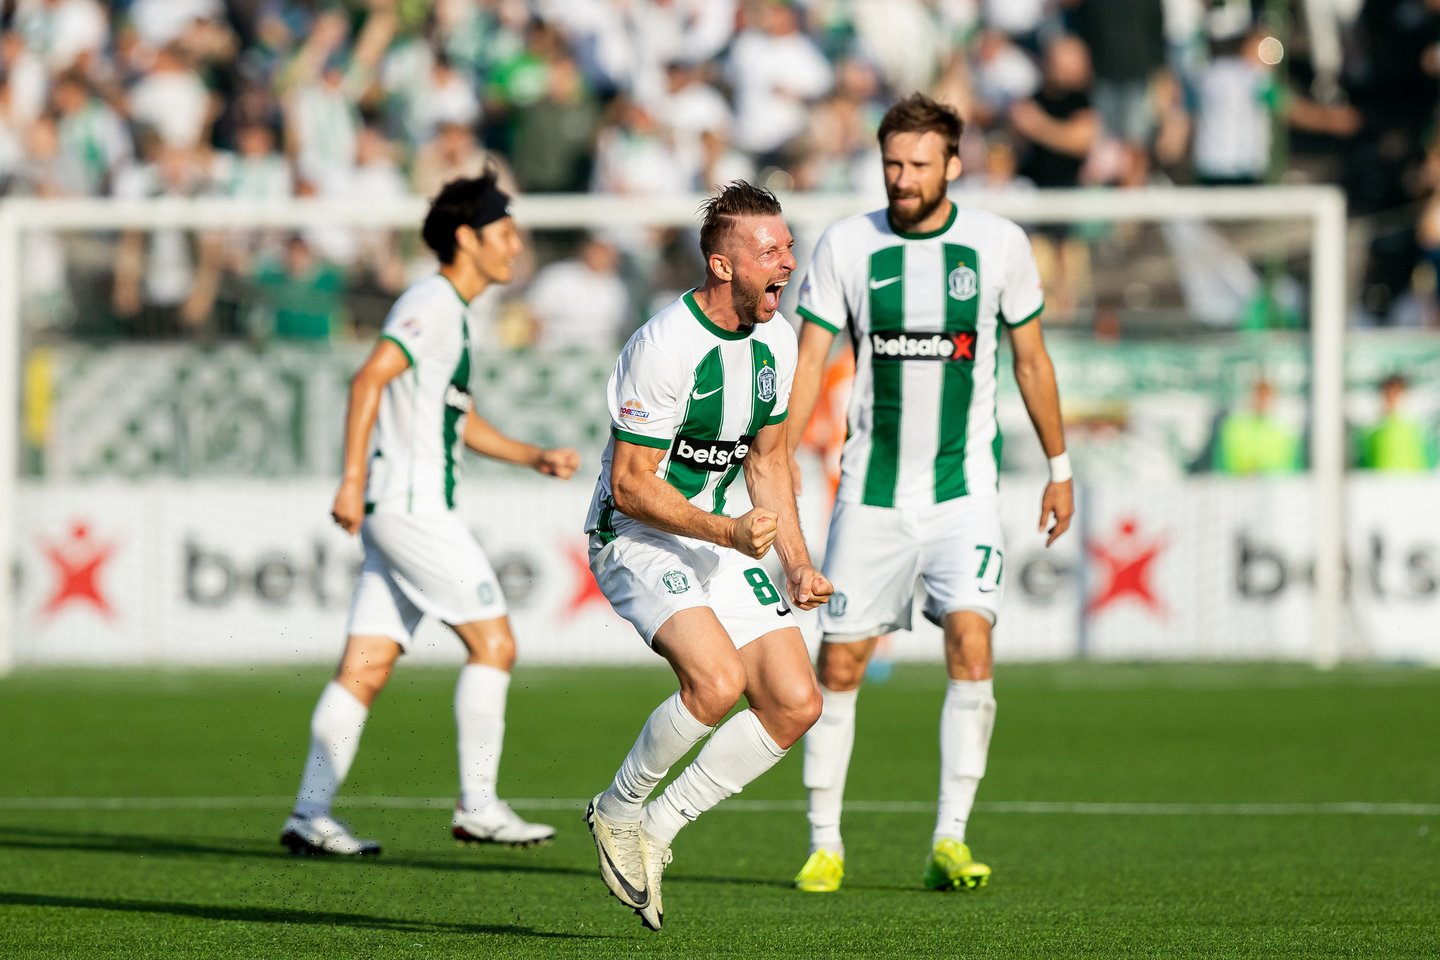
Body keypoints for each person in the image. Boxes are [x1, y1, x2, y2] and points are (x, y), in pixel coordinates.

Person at [785, 93, 1074, 894]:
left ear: (953, 164)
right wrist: (777, 455)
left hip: (963, 492)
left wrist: (1059, 467)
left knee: (972, 644)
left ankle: (950, 837)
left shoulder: (999, 244)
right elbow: (809, 363)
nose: (902, 178)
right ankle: (824, 842)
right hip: (870, 494)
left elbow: (1031, 361)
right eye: (892, 163)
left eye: (918, 164)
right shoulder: (847, 244)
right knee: (839, 662)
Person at [279, 172, 580, 857]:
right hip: (412, 507)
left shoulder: (452, 311)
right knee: (495, 644)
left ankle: (309, 814)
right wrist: (350, 479)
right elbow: (370, 376)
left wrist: (531, 455)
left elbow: (454, 416)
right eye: (506, 233)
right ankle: (479, 805)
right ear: (468, 238)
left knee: (365, 667)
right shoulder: (434, 301)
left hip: (398, 508)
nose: (516, 245)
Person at [582, 181, 831, 930]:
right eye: (770, 250)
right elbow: (630, 485)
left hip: (720, 533)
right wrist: (728, 533)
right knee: (718, 682)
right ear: (723, 266)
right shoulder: (664, 347)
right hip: (635, 535)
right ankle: (618, 809)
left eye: (789, 247)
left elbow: (769, 461)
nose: (787, 262)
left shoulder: (778, 339)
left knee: (796, 703)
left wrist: (797, 560)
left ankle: (658, 830)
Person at [1212, 377, 1301, 475]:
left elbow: (1295, 472)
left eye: (1266, 396)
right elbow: (1218, 468)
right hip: (1236, 483)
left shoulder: (1285, 433)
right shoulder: (1231, 428)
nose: (1262, 401)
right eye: (1258, 395)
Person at [1357, 374, 1437, 472]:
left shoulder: (1418, 430)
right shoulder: (1371, 432)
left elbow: (1430, 463)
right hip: (1379, 480)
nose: (1392, 400)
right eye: (1388, 395)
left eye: (1396, 395)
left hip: (1413, 480)